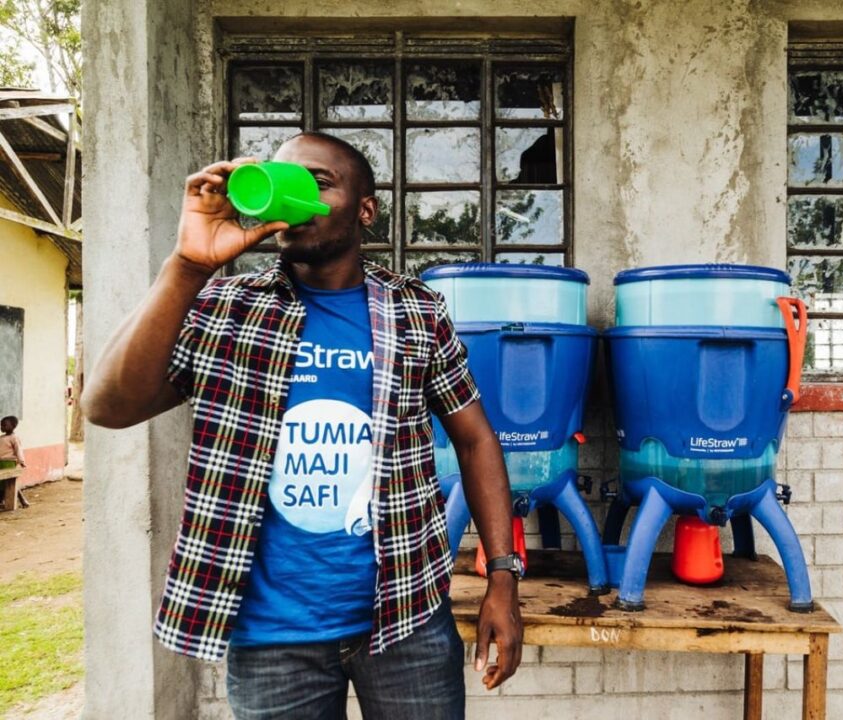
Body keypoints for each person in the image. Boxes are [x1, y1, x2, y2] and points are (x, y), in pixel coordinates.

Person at [82, 131, 523, 719]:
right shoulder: (228, 306)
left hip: (406, 618)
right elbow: (108, 406)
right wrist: (187, 265)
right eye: (284, 179)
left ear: (365, 210)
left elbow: (474, 438)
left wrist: (502, 577)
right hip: (272, 637)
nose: (294, 194)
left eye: (318, 182)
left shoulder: (417, 310)